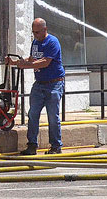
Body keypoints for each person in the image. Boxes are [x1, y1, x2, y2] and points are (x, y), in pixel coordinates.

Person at [7, 17, 65, 155]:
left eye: (38, 32)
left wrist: (26, 65)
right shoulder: (35, 42)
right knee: (33, 114)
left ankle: (56, 146)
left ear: (45, 30)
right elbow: (32, 59)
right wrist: (15, 62)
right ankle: (32, 145)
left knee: (53, 116)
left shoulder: (52, 42)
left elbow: (45, 62)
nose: (35, 35)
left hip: (54, 83)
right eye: (33, 32)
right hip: (39, 84)